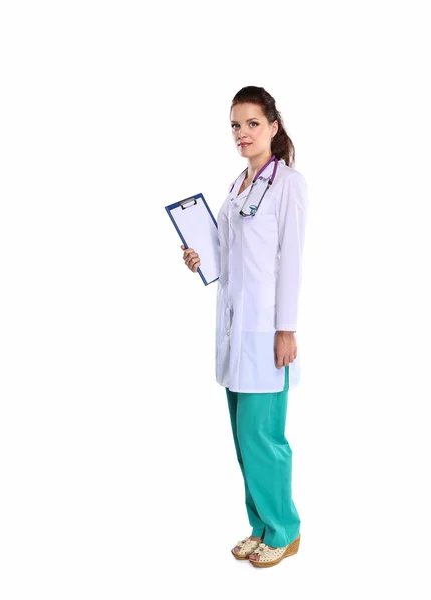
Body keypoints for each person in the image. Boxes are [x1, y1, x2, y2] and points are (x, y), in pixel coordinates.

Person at [181, 86, 308, 568]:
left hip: (266, 332)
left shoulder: (288, 184)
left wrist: (287, 328)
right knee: (243, 437)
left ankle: (285, 529)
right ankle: (259, 525)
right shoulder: (236, 186)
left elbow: (290, 260)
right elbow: (228, 258)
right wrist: (200, 255)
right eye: (236, 125)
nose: (242, 133)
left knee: (265, 437)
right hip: (234, 332)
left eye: (252, 123)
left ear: (273, 127)